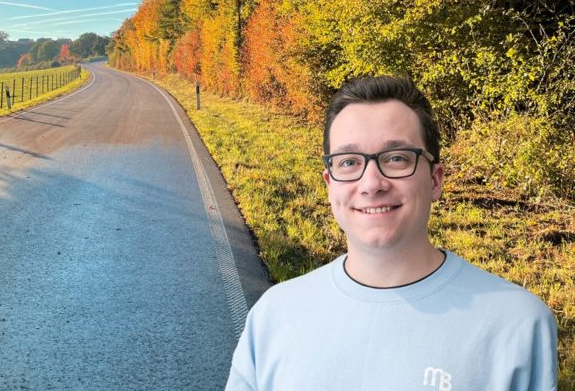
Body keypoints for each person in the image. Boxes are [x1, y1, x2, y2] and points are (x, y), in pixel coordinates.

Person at [225, 75, 558, 391]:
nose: (371, 184)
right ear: (329, 185)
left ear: (435, 179)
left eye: (397, 158)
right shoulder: (274, 316)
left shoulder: (517, 325)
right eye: (348, 162)